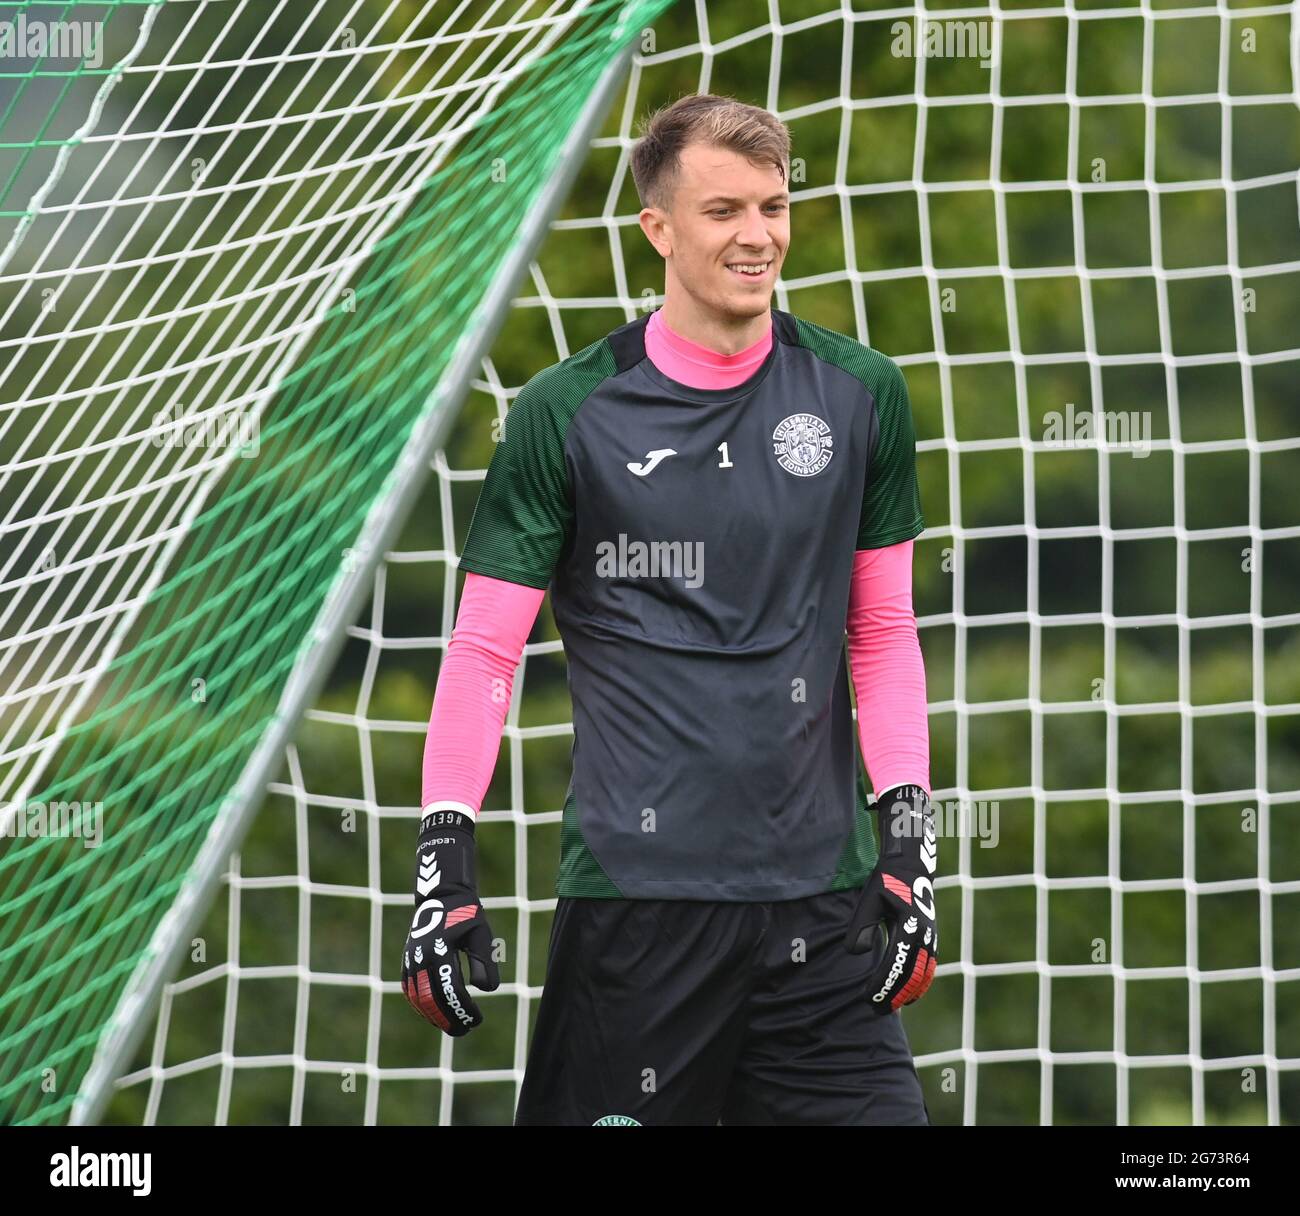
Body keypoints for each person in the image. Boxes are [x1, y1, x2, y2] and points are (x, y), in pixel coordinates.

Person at [399, 93, 938, 1125]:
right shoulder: (565, 413)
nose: (757, 235)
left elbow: (881, 631)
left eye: (774, 207)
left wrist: (907, 833)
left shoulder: (862, 393)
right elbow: (481, 650)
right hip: (638, 915)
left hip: (820, 910)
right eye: (723, 209)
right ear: (656, 228)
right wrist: (443, 857)